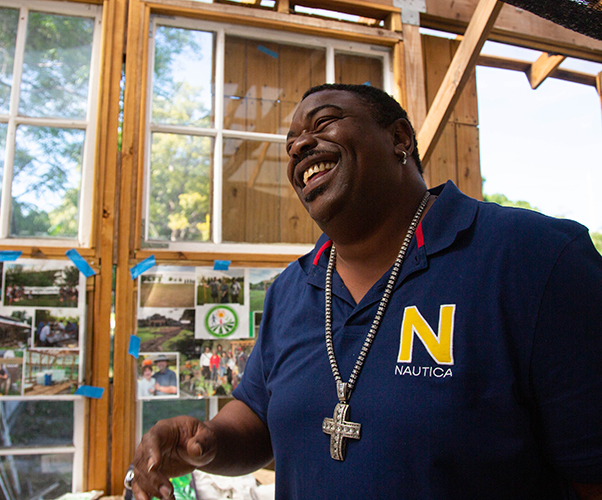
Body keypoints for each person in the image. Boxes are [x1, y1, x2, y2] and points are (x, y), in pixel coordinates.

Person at [127, 84, 602, 500]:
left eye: (325, 122)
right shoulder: (291, 289)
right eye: (291, 143)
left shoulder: (535, 257)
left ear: (399, 138)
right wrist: (204, 442)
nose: (299, 146)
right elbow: (258, 416)